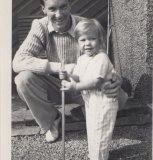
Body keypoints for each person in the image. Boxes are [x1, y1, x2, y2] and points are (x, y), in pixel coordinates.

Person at [12, 0, 123, 143]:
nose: (59, 15)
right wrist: (60, 68)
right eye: (52, 9)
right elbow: (18, 61)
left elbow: (104, 60)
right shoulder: (40, 26)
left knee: (120, 97)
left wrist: (115, 76)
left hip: (85, 85)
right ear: (43, 9)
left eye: (63, 7)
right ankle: (52, 119)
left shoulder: (85, 24)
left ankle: (84, 110)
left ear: (69, 5)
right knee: (23, 79)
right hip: (57, 86)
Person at [60, 19, 118, 160]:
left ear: (100, 40)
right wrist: (68, 75)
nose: (87, 43)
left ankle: (99, 157)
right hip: (91, 101)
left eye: (92, 39)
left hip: (104, 101)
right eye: (83, 40)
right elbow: (79, 76)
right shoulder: (82, 59)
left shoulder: (101, 58)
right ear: (77, 42)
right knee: (92, 130)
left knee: (100, 132)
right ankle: (95, 155)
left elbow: (96, 81)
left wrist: (75, 87)